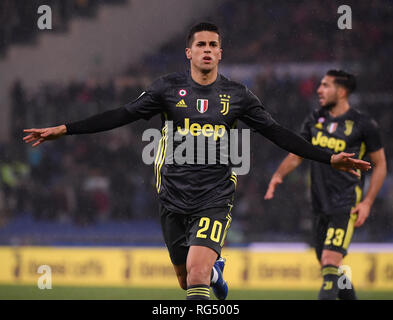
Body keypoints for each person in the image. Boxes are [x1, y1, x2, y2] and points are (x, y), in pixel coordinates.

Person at [23, 24, 371, 300]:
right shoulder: (166, 89)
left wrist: (328, 158)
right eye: (200, 45)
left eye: (213, 45)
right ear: (189, 52)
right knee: (186, 279)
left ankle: (210, 273)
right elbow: (121, 115)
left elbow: (278, 133)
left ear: (220, 53)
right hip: (172, 197)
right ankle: (217, 275)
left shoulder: (237, 95)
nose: (207, 50)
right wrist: (66, 129)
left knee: (197, 275)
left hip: (215, 196)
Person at [264, 70, 386, 300]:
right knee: (330, 270)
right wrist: (278, 175)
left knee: (330, 264)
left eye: (325, 85)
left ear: (341, 91)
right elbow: (297, 154)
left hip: (345, 204)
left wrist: (368, 202)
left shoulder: (364, 124)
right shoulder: (314, 119)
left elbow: (380, 165)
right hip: (319, 206)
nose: (319, 90)